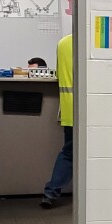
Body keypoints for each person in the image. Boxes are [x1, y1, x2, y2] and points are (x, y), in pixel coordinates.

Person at [41, 35, 74, 208]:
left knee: (69, 153)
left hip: (69, 109)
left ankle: (51, 192)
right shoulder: (93, 42)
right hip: (90, 110)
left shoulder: (63, 43)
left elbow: (60, 75)